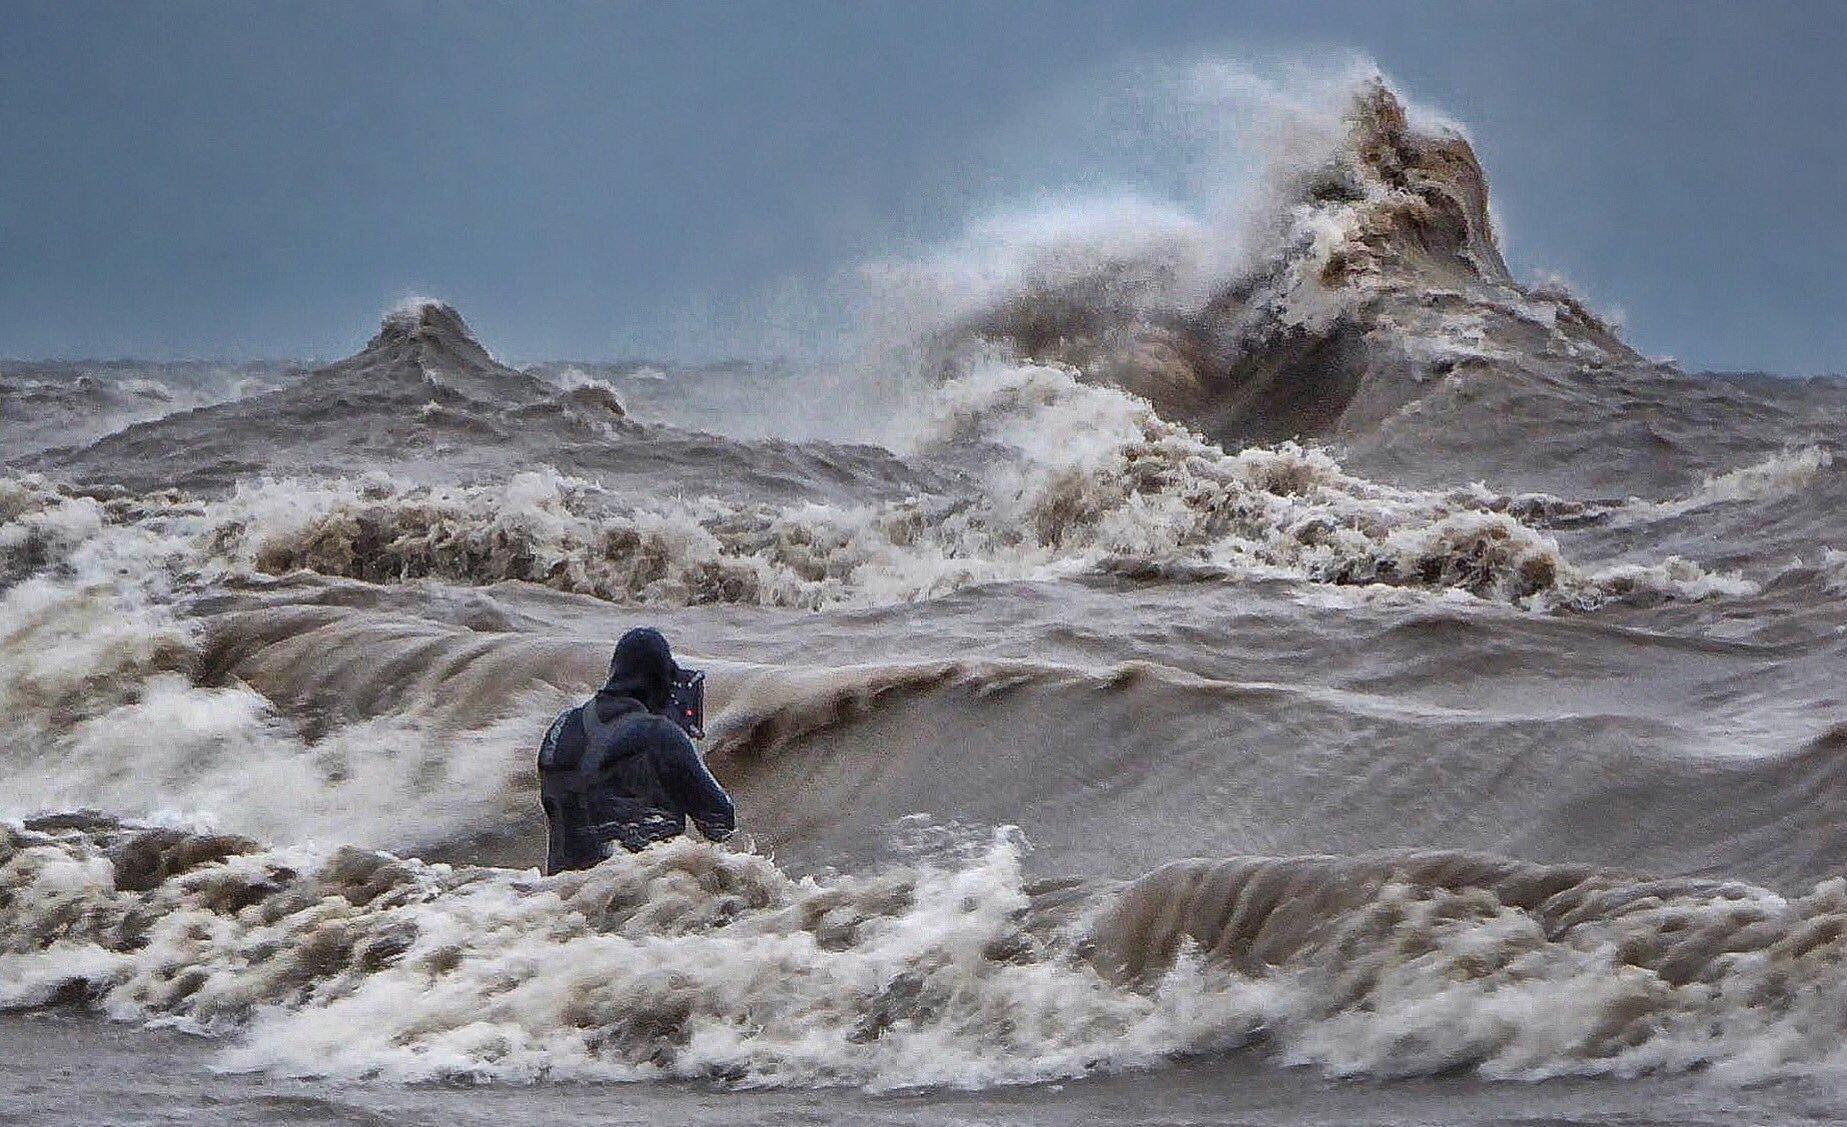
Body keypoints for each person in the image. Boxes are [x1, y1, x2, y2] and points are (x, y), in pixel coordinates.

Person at [537, 627, 735, 874]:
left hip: (558, 895)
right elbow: (720, 823)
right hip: (635, 897)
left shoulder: (561, 728)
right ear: (662, 683)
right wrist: (686, 743)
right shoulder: (660, 734)